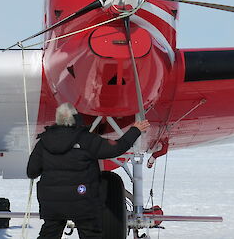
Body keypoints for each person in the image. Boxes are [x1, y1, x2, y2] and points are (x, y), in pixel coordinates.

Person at [27, 102, 150, 239]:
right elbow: (116, 149)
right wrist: (135, 130)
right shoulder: (86, 139)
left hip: (52, 204)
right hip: (83, 201)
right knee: (90, 233)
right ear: (76, 118)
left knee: (49, 234)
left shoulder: (43, 142)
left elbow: (31, 172)